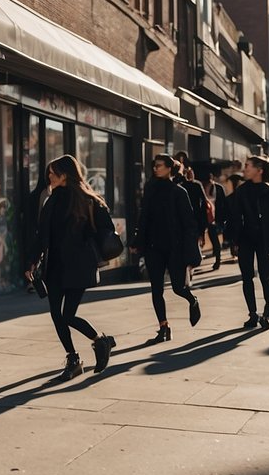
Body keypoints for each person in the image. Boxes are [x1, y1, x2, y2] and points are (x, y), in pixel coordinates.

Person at [28, 154, 116, 381]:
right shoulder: (51, 200)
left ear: (64, 174)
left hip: (79, 266)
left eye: (52, 172)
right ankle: (73, 359)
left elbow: (106, 228)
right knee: (56, 315)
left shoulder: (88, 200)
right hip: (55, 265)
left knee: (68, 315)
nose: (48, 176)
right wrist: (31, 261)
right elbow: (42, 235)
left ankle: (100, 340)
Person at [131, 154, 202, 341]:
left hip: (174, 247)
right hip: (154, 247)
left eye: (160, 166)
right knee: (156, 289)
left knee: (178, 288)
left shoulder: (179, 192)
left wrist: (190, 249)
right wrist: (138, 241)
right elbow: (143, 217)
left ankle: (192, 300)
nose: (156, 168)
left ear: (170, 168)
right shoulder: (150, 190)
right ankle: (164, 328)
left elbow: (189, 224)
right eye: (154, 165)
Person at [227, 155, 269, 328]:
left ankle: (268, 305)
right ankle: (252, 314)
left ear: (259, 170)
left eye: (248, 166)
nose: (245, 168)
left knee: (266, 276)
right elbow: (234, 217)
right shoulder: (241, 191)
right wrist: (233, 240)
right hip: (245, 239)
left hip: (265, 239)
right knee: (247, 277)